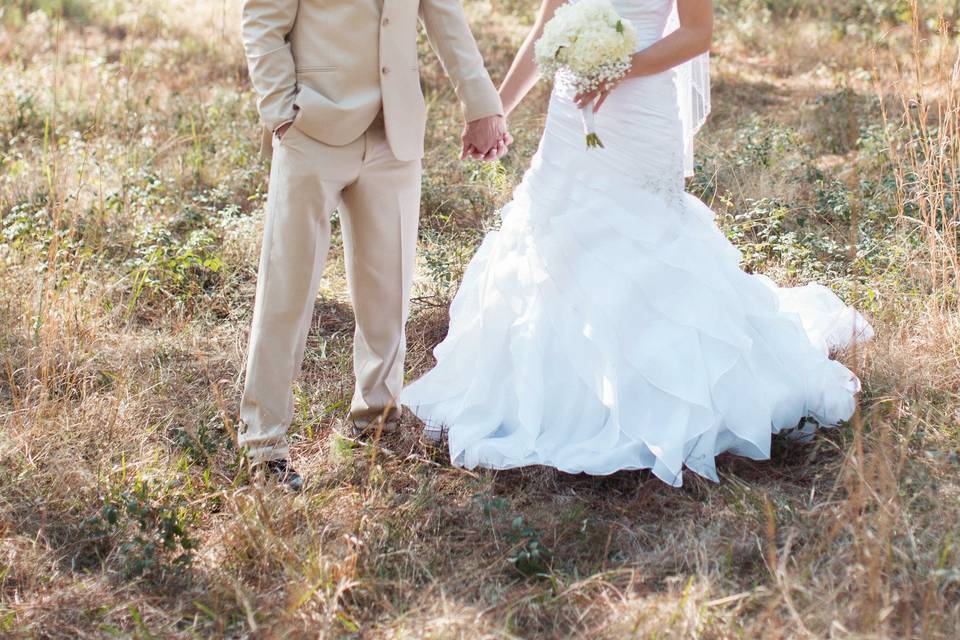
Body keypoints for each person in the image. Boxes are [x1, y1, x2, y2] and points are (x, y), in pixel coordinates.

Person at [401, 0, 874, 486]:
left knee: (644, 242)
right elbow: (546, 26)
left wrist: (622, 68)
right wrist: (493, 108)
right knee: (553, 236)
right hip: (571, 116)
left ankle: (654, 394)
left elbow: (696, 33)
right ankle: (559, 393)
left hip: (641, 113)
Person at [238, 0, 511, 491]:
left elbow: (444, 15)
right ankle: (264, 445)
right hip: (312, 128)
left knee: (389, 290)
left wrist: (482, 104)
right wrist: (281, 111)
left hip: (396, 134)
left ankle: (377, 423)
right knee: (286, 291)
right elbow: (262, 20)